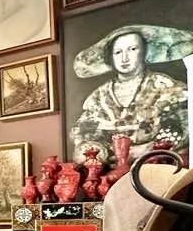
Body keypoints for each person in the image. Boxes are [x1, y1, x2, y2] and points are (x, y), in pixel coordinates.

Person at [69, 26, 190, 162]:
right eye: (118, 52)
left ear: (144, 51)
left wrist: (150, 148)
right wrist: (100, 151)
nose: (124, 58)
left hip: (158, 164)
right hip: (111, 165)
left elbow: (184, 126)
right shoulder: (99, 96)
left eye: (132, 49)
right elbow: (84, 134)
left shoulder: (165, 86)